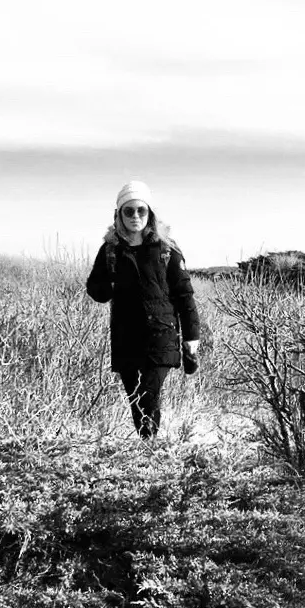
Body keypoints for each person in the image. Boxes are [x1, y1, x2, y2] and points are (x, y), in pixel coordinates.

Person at [86, 181, 200, 439]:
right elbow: (97, 291)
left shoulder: (166, 250)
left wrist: (192, 339)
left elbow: (185, 296)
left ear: (150, 214)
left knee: (149, 394)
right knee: (135, 397)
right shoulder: (110, 250)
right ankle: (147, 446)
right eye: (128, 211)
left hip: (160, 334)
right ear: (119, 215)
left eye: (141, 210)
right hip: (126, 335)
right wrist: (108, 282)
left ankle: (150, 446)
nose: (135, 216)